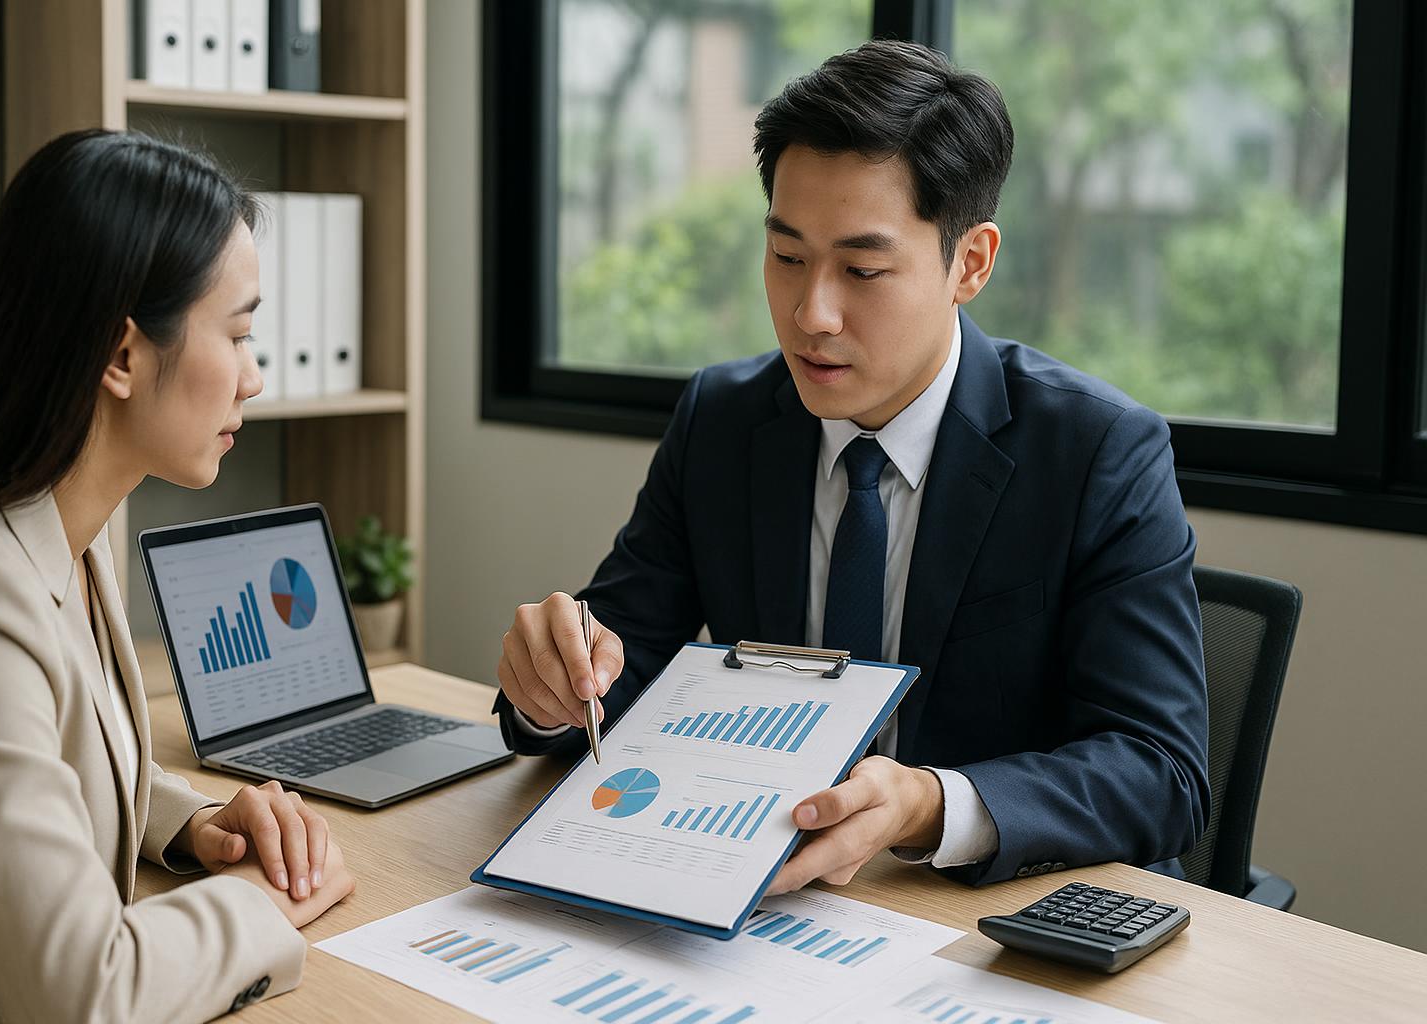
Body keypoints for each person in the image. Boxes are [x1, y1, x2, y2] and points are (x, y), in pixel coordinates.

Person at [492, 40, 1210, 895]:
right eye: (787, 257)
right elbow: (624, 655)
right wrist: (555, 690)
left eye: (863, 269)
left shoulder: (1098, 453)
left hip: (969, 913)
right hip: (754, 890)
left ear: (969, 263)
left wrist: (929, 804)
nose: (810, 313)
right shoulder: (723, 421)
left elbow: (1160, 769)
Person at [0, 129, 356, 1022]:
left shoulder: (78, 526)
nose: (254, 379)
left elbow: (40, 748)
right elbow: (87, 993)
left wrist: (186, 820)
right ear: (120, 355)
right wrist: (267, 902)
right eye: (240, 334)